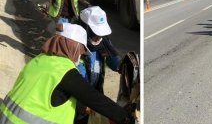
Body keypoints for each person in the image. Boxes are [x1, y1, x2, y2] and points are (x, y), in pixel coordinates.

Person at [0, 23, 134, 124]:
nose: (81, 55)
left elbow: (57, 95)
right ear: (73, 47)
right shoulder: (64, 71)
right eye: (81, 51)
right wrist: (125, 117)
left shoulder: (38, 61)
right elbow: (94, 98)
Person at [75, 6, 123, 124]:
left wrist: (122, 65)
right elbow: (75, 83)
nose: (99, 37)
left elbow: (114, 60)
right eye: (97, 33)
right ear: (85, 28)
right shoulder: (74, 45)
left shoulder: (103, 42)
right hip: (78, 100)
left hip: (95, 94)